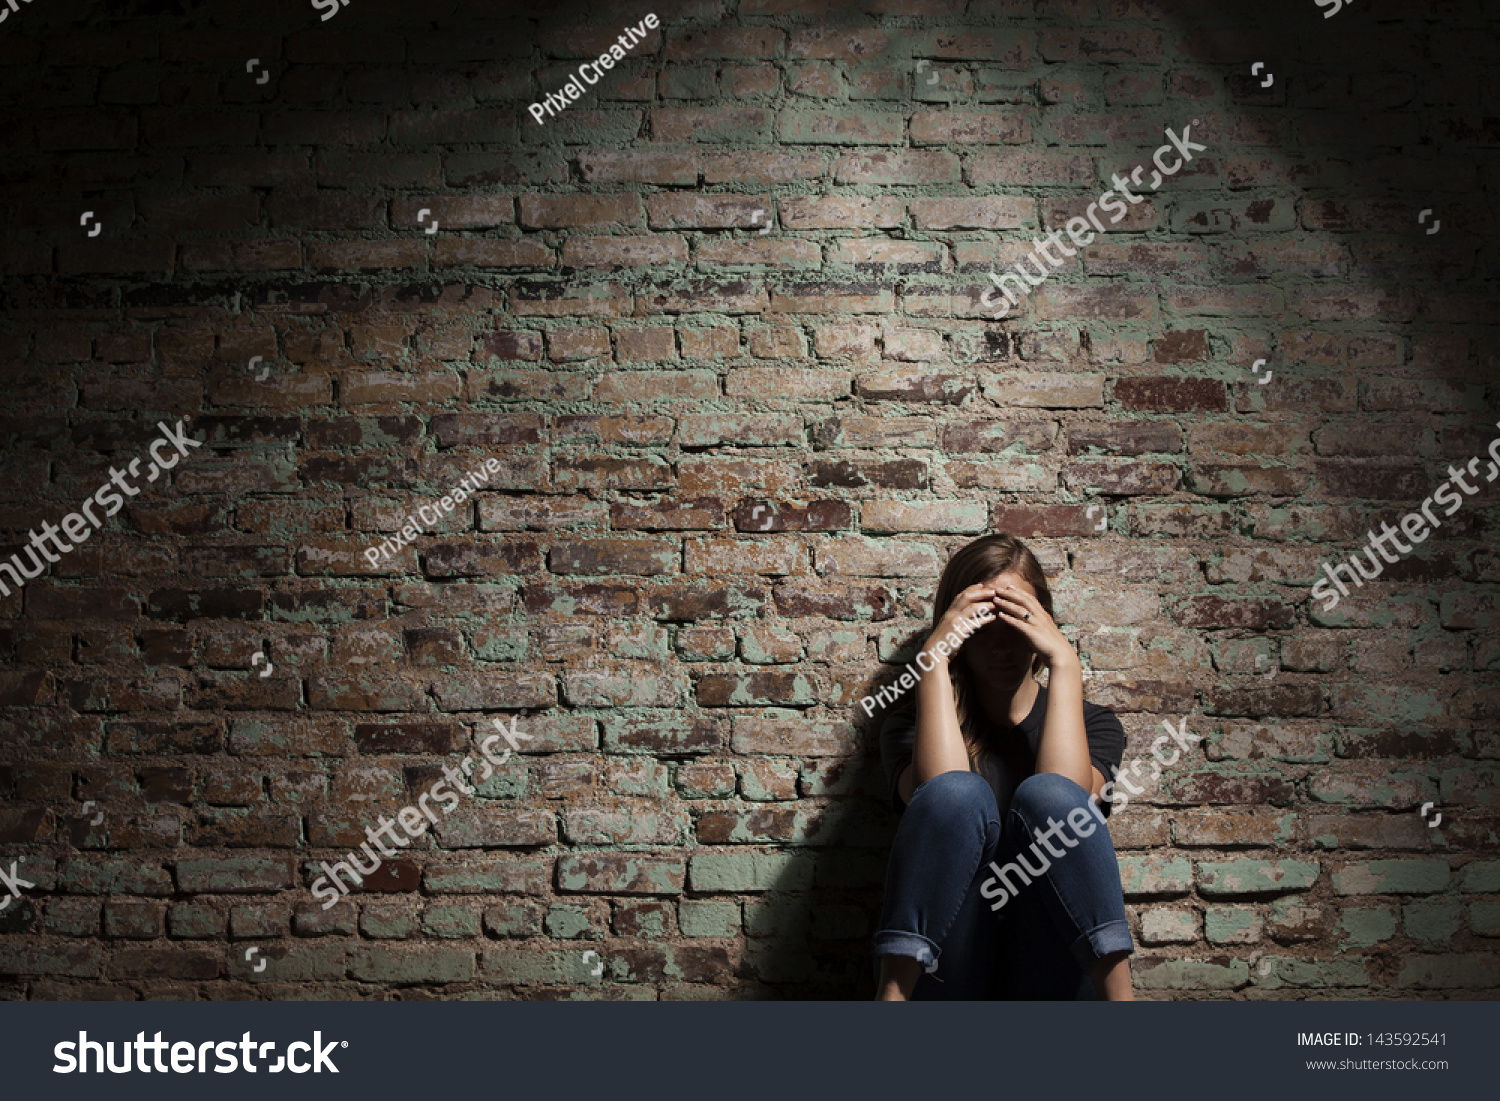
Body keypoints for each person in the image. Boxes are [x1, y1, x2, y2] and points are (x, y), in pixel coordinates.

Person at [872, 533, 1135, 1000]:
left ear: (1042, 626)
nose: (1000, 647)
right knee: (958, 792)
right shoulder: (909, 726)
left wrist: (1065, 663)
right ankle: (891, 1000)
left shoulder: (1096, 725)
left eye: (1014, 623)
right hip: (950, 965)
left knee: (1049, 795)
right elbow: (939, 793)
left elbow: (1069, 800)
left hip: (1052, 962)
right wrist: (933, 664)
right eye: (981, 625)